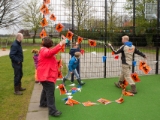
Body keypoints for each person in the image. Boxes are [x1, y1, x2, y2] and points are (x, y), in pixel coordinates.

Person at [37, 37, 66, 117]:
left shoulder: (44, 50)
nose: (52, 44)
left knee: (45, 90)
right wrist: (60, 44)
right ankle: (52, 111)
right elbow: (50, 53)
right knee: (50, 93)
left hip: (45, 75)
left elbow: (49, 60)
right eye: (51, 43)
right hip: (46, 76)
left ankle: (43, 103)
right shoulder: (44, 50)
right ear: (48, 44)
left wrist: (58, 63)